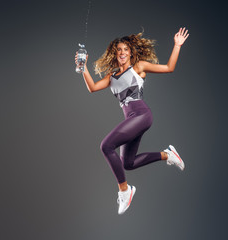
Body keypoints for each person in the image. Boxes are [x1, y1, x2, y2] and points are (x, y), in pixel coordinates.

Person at [75, 27, 189, 215]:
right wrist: (83, 67)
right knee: (127, 163)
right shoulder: (111, 77)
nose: (122, 53)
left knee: (106, 146)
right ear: (115, 52)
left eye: (126, 50)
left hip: (142, 115)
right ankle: (167, 155)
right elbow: (93, 88)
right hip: (131, 119)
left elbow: (169, 68)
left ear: (131, 53)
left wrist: (177, 45)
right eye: (119, 50)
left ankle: (124, 190)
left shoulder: (138, 67)